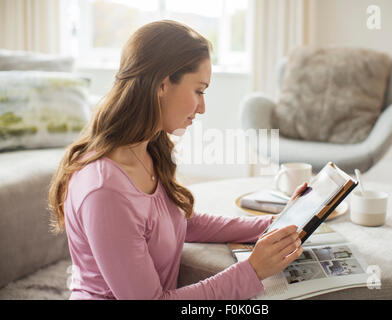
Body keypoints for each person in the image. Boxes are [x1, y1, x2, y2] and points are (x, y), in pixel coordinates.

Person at [48, 20, 305, 300]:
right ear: (162, 83)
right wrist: (252, 270)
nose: (203, 107)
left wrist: (275, 224)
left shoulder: (148, 148)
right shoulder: (105, 191)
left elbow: (181, 222)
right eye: (199, 90)